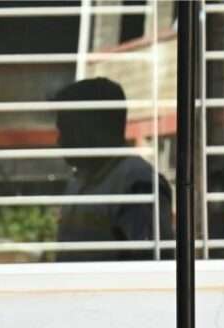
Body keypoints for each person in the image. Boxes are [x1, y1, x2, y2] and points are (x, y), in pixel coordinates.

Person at [52, 77, 173, 262]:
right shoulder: (81, 180)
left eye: (67, 129)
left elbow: (151, 267)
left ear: (91, 128)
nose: (60, 140)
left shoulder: (136, 185)